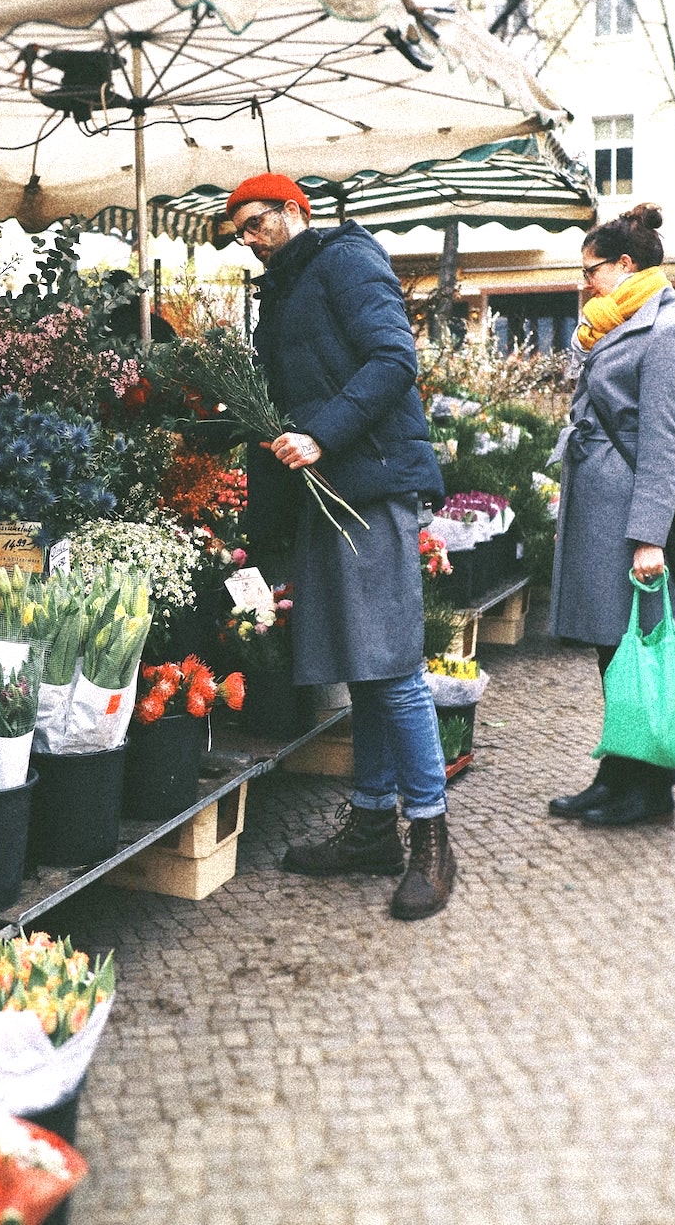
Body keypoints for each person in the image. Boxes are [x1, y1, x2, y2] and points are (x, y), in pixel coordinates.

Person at [225, 172, 455, 920]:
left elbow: (395, 360)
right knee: (363, 665)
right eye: (241, 232)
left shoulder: (349, 259)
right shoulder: (283, 288)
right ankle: (369, 824)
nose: (251, 240)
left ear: (295, 211)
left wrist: (322, 432)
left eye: (258, 223)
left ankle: (431, 837)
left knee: (390, 665)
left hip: (372, 486)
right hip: (328, 495)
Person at [548, 203, 675, 826]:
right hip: (599, 506)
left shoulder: (669, 333)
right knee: (610, 649)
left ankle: (649, 787)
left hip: (628, 517)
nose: (584, 282)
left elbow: (666, 444)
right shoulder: (614, 324)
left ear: (626, 264)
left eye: (591, 271)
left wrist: (649, 537)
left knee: (634, 647)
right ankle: (617, 773)